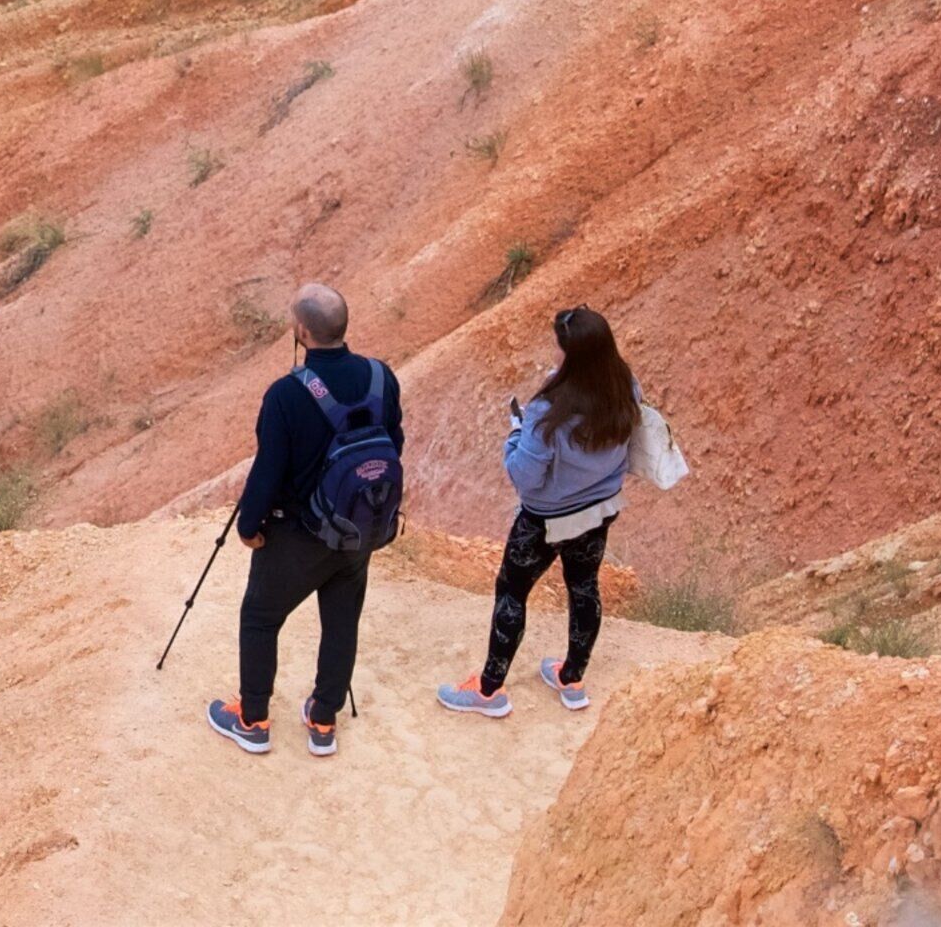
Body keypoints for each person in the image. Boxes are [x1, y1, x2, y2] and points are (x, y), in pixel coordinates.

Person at [210, 283, 403, 757]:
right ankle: (322, 720)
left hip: (298, 535)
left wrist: (248, 525)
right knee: (342, 622)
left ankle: (252, 718)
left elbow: (268, 468)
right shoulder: (382, 377)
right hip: (359, 530)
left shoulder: (286, 395)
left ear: (301, 331)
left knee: (259, 617)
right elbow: (394, 446)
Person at [440, 305, 644, 718]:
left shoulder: (549, 410)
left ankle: (489, 690)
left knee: (513, 592)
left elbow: (524, 477)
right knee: (584, 587)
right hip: (599, 510)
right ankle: (571, 679)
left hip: (544, 520)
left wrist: (514, 435)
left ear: (570, 354)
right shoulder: (626, 387)